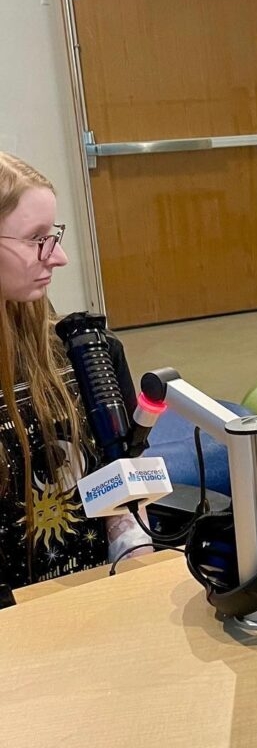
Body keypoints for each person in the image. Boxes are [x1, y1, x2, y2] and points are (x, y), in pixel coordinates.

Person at [0, 152, 148, 589]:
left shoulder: (82, 351)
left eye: (54, 235)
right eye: (36, 239)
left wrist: (129, 535)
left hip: (92, 587)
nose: (59, 257)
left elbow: (121, 474)